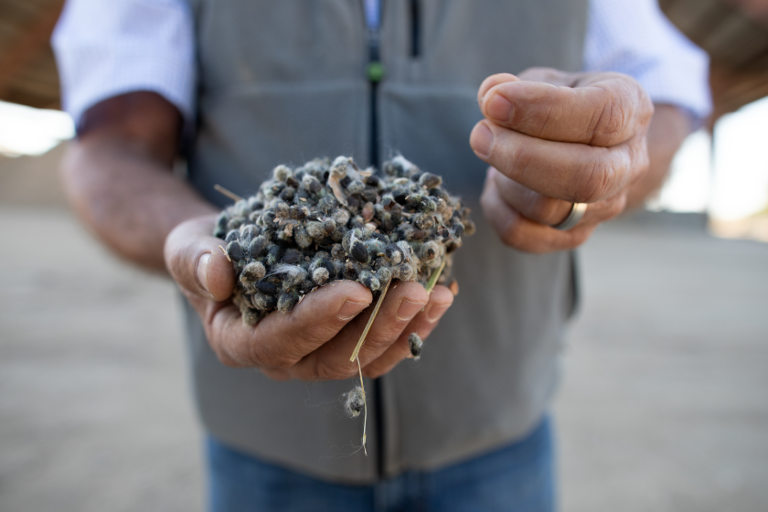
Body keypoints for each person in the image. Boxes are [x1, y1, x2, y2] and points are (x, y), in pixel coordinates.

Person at [53, 0, 710, 510]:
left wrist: (601, 160)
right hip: (267, 452)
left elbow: (666, 90)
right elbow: (110, 142)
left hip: (498, 439)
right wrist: (195, 236)